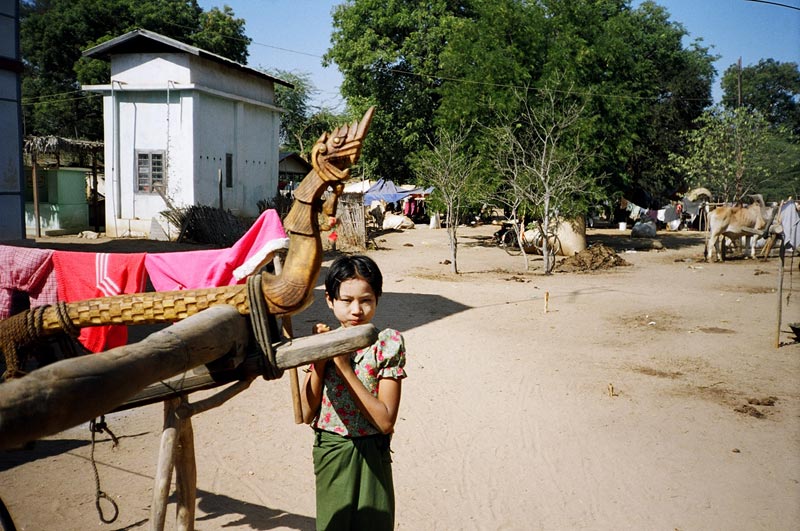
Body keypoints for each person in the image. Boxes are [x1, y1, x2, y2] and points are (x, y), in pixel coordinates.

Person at [300, 255, 407, 530]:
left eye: (366, 299)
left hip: (372, 451)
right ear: (330, 300)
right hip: (332, 449)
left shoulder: (387, 343)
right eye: (346, 300)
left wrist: (345, 368)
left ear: (378, 297)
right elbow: (306, 411)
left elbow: (385, 421)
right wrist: (321, 359)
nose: (356, 310)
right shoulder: (323, 342)